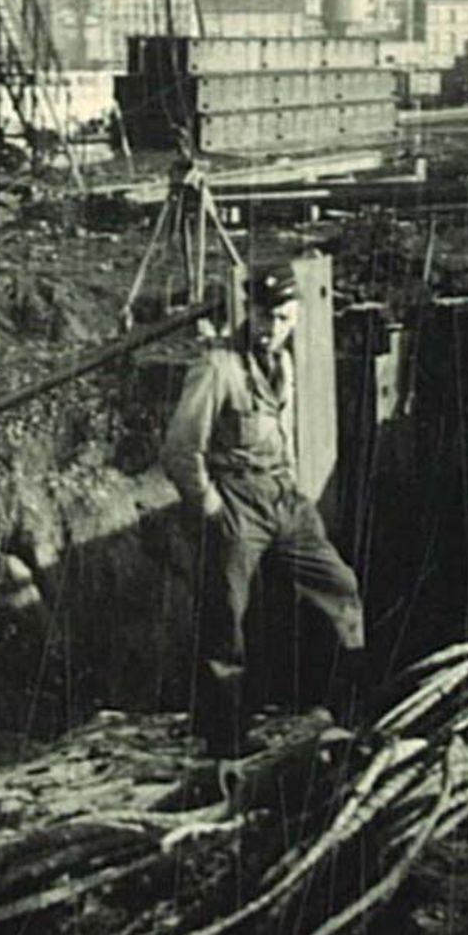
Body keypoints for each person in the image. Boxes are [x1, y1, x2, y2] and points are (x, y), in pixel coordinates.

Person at [161, 266, 368, 760]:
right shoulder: (218, 368)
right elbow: (179, 448)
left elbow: (284, 432)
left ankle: (349, 708)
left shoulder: (284, 365)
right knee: (225, 618)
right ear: (249, 312)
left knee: (340, 587)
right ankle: (225, 740)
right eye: (264, 315)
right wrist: (211, 505)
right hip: (236, 500)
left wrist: (294, 490)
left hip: (283, 499)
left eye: (283, 318)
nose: (272, 327)